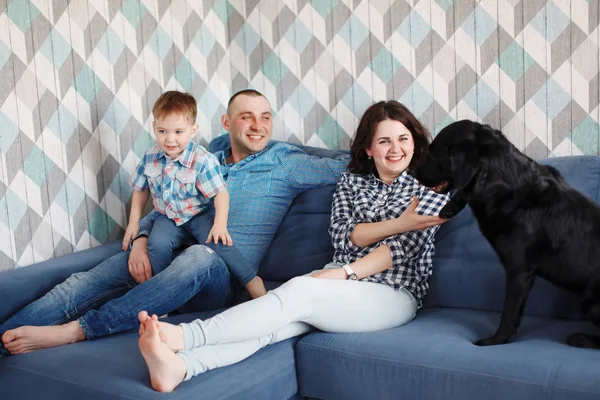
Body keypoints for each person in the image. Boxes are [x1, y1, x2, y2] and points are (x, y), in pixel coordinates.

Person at [0, 89, 348, 357]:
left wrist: (392, 146)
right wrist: (141, 237)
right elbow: (173, 204)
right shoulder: (201, 155)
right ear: (227, 124)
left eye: (265, 117)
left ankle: (79, 330)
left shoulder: (286, 162)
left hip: (220, 276)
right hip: (167, 251)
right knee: (84, 280)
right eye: (247, 117)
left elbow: (349, 165)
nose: (258, 126)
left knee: (199, 258)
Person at [135, 100, 451, 392]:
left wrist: (344, 272)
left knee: (298, 291)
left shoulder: (432, 184)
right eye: (384, 141)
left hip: (392, 293)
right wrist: (398, 224)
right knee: (276, 326)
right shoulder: (352, 181)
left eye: (403, 139)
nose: (395, 149)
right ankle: (181, 367)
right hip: (336, 280)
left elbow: (400, 248)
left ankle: (186, 336)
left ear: (414, 142)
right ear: (369, 149)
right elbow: (344, 236)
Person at [124, 90, 265, 299]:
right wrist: (133, 223)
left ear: (192, 130)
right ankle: (163, 294)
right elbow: (140, 190)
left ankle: (253, 282)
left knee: (219, 242)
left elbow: (220, 194)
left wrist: (219, 224)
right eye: (162, 131)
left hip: (198, 214)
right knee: (157, 244)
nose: (170, 139)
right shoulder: (150, 156)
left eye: (178, 132)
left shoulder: (202, 160)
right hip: (169, 216)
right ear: (154, 128)